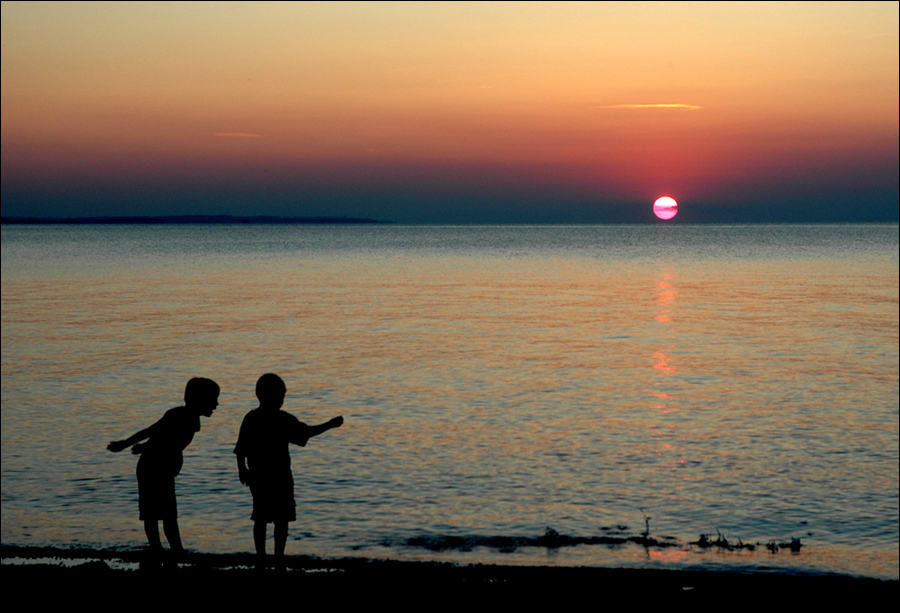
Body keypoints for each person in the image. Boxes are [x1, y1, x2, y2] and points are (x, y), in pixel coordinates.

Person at [235, 373, 343, 560]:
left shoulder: (252, 418)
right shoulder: (282, 419)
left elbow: (240, 450)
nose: (282, 399)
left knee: (261, 517)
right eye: (280, 395)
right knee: (279, 519)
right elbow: (306, 432)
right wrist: (329, 425)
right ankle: (277, 558)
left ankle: (263, 558)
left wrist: (242, 470)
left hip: (259, 475)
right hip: (279, 476)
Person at [107, 377, 220, 555]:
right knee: (155, 513)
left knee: (168, 513)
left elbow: (165, 439)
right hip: (152, 468)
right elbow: (152, 431)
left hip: (162, 468)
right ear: (198, 399)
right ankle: (162, 549)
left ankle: (172, 549)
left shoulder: (192, 420)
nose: (216, 404)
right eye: (213, 399)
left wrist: (146, 447)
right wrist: (125, 444)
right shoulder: (178, 415)